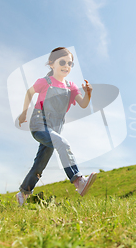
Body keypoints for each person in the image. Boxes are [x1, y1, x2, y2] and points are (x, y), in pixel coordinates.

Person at [15, 47, 97, 206]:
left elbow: (83, 104)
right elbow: (29, 93)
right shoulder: (44, 82)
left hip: (56, 128)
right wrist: (24, 113)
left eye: (70, 63)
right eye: (63, 62)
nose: (67, 65)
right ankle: (78, 181)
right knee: (63, 143)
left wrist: (88, 94)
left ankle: (23, 193)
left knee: (40, 164)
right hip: (40, 124)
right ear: (52, 64)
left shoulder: (71, 87)